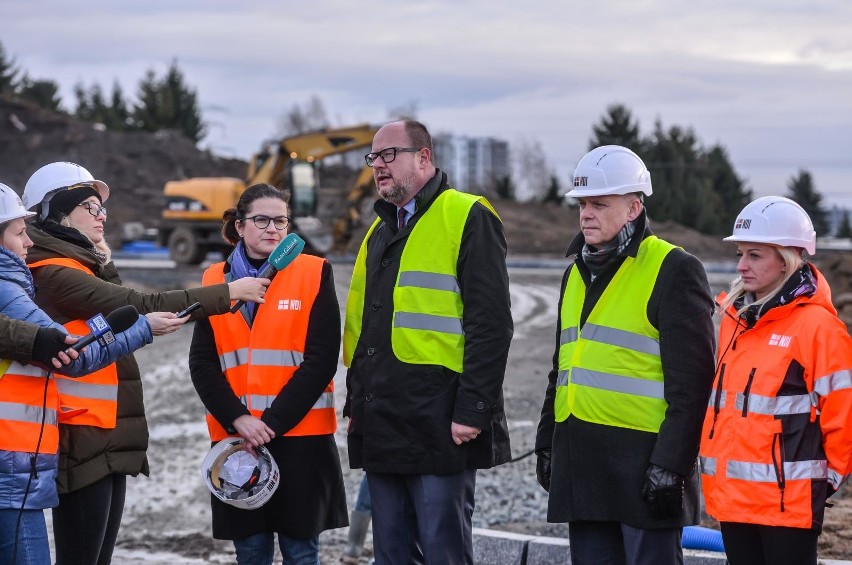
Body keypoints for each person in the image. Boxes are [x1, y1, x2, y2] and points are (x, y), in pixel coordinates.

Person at [21, 162, 271, 565]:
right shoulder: (52, 271)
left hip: (106, 430)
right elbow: (139, 306)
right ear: (56, 213)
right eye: (90, 206)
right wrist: (228, 292)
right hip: (80, 432)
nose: (103, 215)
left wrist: (101, 258)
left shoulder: (81, 264)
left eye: (103, 208)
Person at [535, 145, 716, 564]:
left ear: (634, 207)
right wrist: (547, 442)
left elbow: (693, 385)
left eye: (600, 204)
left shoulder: (674, 269)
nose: (586, 214)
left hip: (644, 469)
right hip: (584, 464)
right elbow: (562, 367)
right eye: (582, 204)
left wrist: (672, 465)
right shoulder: (575, 272)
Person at [342, 120, 513, 564]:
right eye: (373, 158)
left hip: (442, 424)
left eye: (388, 155)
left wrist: (474, 408)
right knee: (392, 555)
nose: (378, 166)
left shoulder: (467, 215)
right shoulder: (378, 232)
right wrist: (356, 406)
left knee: (443, 551)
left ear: (424, 157)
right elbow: (365, 330)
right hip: (384, 421)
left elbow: (491, 325)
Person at [0, 181, 161, 565]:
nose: (28, 243)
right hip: (14, 469)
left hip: (23, 466)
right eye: (21, 233)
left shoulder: (20, 282)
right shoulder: (15, 286)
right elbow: (72, 352)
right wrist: (144, 326)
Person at [189, 183, 347, 565]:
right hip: (237, 440)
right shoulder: (214, 281)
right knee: (251, 550)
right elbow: (203, 363)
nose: (272, 228)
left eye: (281, 221)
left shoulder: (314, 272)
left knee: (300, 551)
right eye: (262, 219)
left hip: (300, 439)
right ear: (240, 226)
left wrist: (271, 423)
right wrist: (239, 419)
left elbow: (321, 360)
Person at [699, 196, 852, 565]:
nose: (741, 265)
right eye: (741, 254)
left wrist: (823, 482)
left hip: (788, 506)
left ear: (786, 260)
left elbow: (843, 417)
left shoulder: (819, 329)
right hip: (733, 500)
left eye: (755, 255)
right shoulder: (736, 323)